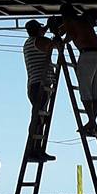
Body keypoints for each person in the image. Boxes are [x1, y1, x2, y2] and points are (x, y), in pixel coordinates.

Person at [59, 4, 97, 136]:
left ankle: (91, 122)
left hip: (87, 55)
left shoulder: (70, 22)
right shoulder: (82, 21)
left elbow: (67, 38)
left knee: (86, 91)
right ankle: (92, 123)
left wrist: (58, 38)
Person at [22, 19, 62, 162]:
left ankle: (36, 149)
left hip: (35, 85)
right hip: (40, 86)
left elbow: (42, 34)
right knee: (38, 119)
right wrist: (57, 33)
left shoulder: (29, 42)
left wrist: (48, 26)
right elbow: (56, 46)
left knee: (39, 118)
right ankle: (34, 150)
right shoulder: (38, 42)